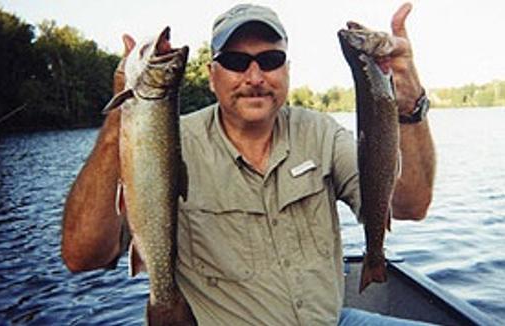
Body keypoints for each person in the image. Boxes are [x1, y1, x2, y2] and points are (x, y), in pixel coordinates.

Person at [61, 2, 436, 325]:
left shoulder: (321, 133)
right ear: (211, 76)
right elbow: (82, 257)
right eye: (236, 62)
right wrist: (121, 122)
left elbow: (410, 205)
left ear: (287, 69)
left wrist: (409, 103)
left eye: (270, 60)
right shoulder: (166, 142)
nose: (254, 77)